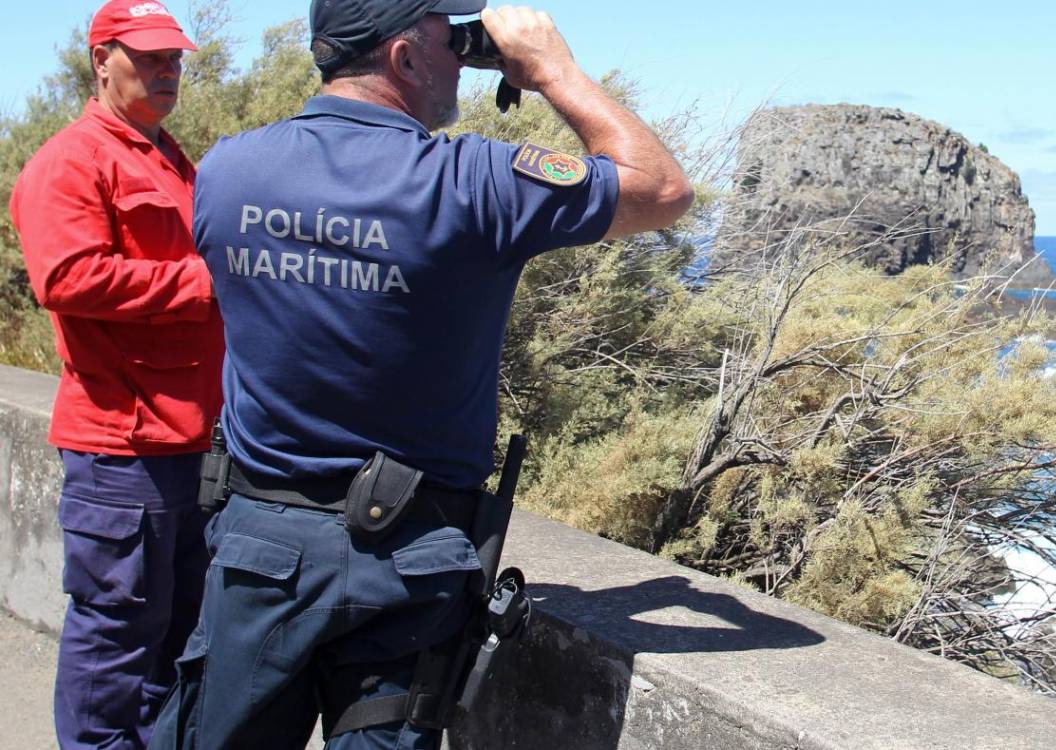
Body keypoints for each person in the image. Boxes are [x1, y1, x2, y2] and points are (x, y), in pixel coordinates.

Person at [149, 0, 691, 747]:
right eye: (450, 40)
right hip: (407, 562)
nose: (463, 62)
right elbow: (660, 189)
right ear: (403, 58)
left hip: (258, 546)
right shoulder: (474, 183)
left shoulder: (228, 169)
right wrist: (550, 69)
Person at [6, 2, 222, 748]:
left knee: (173, 646)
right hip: (122, 447)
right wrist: (205, 283)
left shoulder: (166, 156)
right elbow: (65, 277)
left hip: (189, 443)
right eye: (150, 58)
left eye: (175, 60)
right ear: (101, 61)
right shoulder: (72, 160)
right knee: (116, 646)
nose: (168, 72)